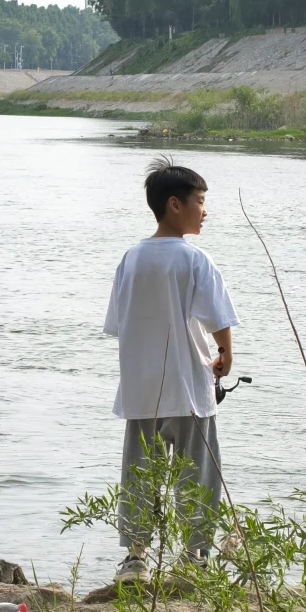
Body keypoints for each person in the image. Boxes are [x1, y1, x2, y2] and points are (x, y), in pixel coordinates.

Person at [103, 158, 239, 581]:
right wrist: (225, 354)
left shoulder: (131, 258)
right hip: (188, 387)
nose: (205, 210)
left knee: (140, 471)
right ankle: (194, 557)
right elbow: (218, 317)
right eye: (200, 202)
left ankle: (136, 558)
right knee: (197, 472)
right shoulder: (195, 260)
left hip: (140, 390)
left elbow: (117, 323)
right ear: (175, 204)